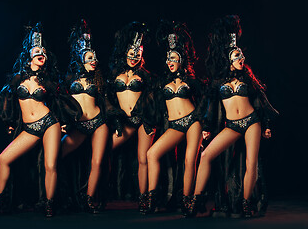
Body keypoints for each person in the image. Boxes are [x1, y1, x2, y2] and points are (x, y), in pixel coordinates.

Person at [187, 15, 279, 218]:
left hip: (251, 121)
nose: (241, 59)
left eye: (242, 56)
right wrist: (206, 126)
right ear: (228, 58)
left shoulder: (248, 76)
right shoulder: (218, 80)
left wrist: (266, 124)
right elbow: (209, 104)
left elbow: (262, 101)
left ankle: (246, 204)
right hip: (233, 125)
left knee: (250, 162)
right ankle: (195, 200)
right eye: (237, 56)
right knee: (205, 155)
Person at [0, 23, 80, 217]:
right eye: (37, 50)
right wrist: (10, 122)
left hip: (49, 124)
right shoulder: (17, 78)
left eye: (44, 52)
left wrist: (64, 122)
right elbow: (8, 102)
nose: (41, 54)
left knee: (50, 165)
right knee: (3, 159)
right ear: (29, 53)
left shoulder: (47, 80)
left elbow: (60, 100)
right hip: (30, 129)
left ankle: (49, 204)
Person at [144, 20, 204, 215]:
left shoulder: (192, 81)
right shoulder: (161, 82)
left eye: (174, 58)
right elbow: (152, 104)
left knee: (189, 160)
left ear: (181, 60)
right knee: (152, 154)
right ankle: (151, 199)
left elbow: (205, 101)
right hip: (175, 125)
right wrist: (149, 121)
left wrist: (206, 125)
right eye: (168, 58)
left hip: (192, 121)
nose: (169, 61)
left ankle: (188, 202)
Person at [106, 21, 157, 213]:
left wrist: (150, 120)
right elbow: (108, 98)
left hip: (142, 121)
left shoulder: (146, 76)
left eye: (138, 52)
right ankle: (100, 192)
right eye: (131, 51)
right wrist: (115, 117)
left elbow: (152, 100)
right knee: (104, 151)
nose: (134, 56)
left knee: (143, 158)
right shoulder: (114, 74)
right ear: (124, 51)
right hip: (124, 123)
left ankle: (144, 198)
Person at [60, 19, 109, 214]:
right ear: (80, 58)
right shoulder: (69, 78)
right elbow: (62, 103)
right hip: (79, 126)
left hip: (98, 122)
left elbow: (107, 101)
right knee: (56, 156)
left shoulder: (98, 78)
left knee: (97, 162)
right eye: (89, 58)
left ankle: (89, 199)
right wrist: (64, 122)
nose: (93, 61)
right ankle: (64, 196)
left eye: (94, 58)